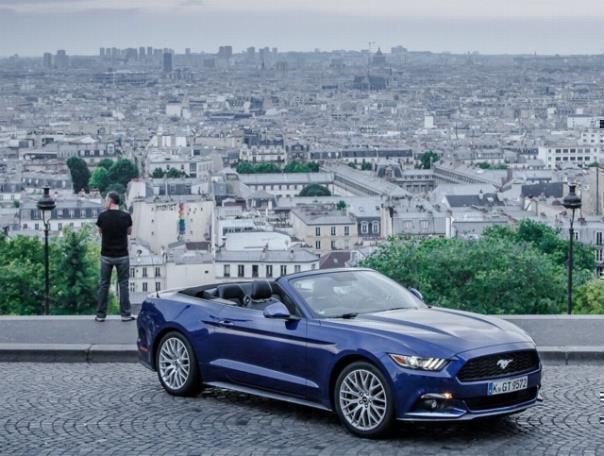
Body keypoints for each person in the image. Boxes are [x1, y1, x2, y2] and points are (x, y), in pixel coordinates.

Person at [95, 191, 135, 322]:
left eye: (106, 200)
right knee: (123, 284)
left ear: (110, 201)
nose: (105, 203)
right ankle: (126, 314)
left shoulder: (102, 216)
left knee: (104, 285)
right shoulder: (126, 216)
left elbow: (100, 232)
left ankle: (101, 315)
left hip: (106, 255)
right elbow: (129, 232)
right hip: (122, 255)